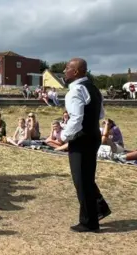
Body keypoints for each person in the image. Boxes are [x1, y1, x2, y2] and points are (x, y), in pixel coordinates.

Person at [58, 58, 110, 233]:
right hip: (93, 134)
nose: (64, 71)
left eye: (67, 68)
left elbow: (76, 119)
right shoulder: (93, 88)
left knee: (81, 180)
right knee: (87, 177)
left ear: (76, 72)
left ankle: (89, 221)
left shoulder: (75, 90)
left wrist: (64, 136)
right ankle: (100, 207)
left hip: (81, 138)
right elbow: (101, 113)